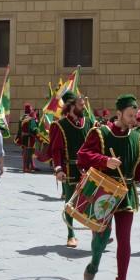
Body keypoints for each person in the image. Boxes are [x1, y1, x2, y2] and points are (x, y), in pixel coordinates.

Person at [78, 94, 140, 280]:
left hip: (126, 193)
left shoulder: (137, 138)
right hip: (103, 192)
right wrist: (105, 161)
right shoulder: (101, 133)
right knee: (102, 237)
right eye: (130, 115)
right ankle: (94, 263)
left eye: (135, 115)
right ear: (119, 113)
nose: (133, 119)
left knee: (125, 240)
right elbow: (83, 156)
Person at [49, 92, 93, 248]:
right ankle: (71, 235)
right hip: (69, 169)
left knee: (92, 201)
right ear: (72, 105)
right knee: (70, 203)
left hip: (88, 169)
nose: (84, 107)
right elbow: (56, 150)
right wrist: (58, 169)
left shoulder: (88, 122)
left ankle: (98, 232)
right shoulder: (60, 125)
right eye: (81, 105)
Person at [15, 103, 39, 173]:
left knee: (26, 152)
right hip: (29, 138)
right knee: (28, 153)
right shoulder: (30, 119)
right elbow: (33, 129)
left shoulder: (22, 118)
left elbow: (19, 129)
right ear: (30, 110)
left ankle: (31, 166)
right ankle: (26, 168)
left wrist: (19, 137)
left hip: (23, 137)